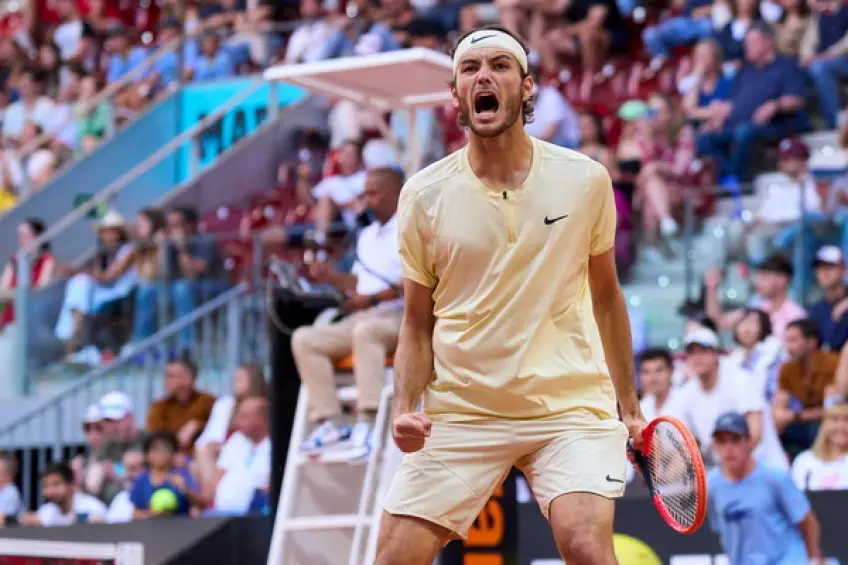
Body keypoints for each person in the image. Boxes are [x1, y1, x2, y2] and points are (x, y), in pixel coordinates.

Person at [377, 25, 646, 565]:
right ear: (455, 94)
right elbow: (416, 322)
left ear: (527, 88)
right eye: (470, 69)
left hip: (568, 407)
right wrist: (404, 409)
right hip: (464, 410)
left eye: (500, 65)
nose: (484, 76)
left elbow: (608, 299)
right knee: (392, 559)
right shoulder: (423, 195)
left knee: (585, 545)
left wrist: (631, 410)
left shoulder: (585, 179)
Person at [707, 412, 824, 564]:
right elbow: (720, 529)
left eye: (735, 440)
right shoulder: (711, 485)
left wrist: (813, 557)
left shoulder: (774, 477)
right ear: (715, 445)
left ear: (748, 442)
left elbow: (808, 522)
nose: (728, 448)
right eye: (721, 441)